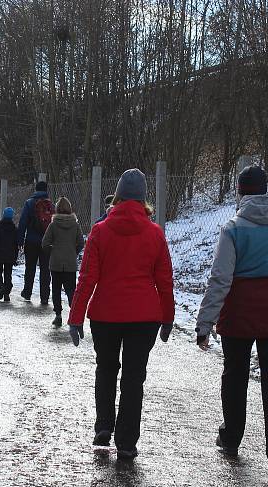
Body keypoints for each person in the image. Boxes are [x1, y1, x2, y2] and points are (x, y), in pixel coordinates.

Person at [195, 165, 268, 480]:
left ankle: (231, 437)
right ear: (266, 190)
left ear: (240, 192)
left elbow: (220, 278)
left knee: (234, 375)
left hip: (240, 314)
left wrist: (205, 322)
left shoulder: (233, 228)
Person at [68, 169, 175, 461]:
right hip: (145, 317)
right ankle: (127, 442)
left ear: (117, 196)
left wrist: (76, 317)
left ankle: (104, 426)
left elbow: (87, 277)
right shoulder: (155, 234)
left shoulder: (100, 231)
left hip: (106, 314)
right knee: (133, 378)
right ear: (143, 200)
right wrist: (168, 317)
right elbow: (165, 280)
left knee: (106, 369)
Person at [42, 197, 84, 327]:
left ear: (57, 209)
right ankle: (74, 316)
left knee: (56, 289)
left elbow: (45, 243)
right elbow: (81, 243)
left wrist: (53, 252)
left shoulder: (53, 225)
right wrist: (73, 252)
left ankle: (58, 315)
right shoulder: (75, 225)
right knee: (71, 290)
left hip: (56, 263)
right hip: (70, 263)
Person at [17, 181, 55, 304]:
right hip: (47, 242)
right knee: (45, 269)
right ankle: (44, 296)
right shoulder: (50, 205)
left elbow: (23, 222)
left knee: (30, 268)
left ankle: (27, 292)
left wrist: (20, 240)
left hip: (31, 241)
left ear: (36, 189)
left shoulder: (29, 203)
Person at [0, 207, 19, 302]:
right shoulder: (14, 229)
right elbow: (16, 244)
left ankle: (0, 286)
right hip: (10, 256)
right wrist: (15, 257)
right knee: (8, 274)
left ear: (3, 215)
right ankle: (6, 293)